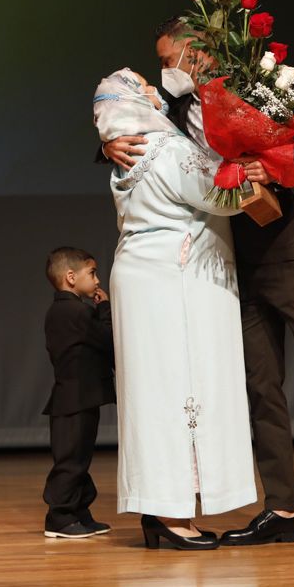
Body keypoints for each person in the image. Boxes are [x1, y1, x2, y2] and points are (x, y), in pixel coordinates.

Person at [100, 20, 294, 549]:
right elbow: (134, 128)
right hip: (225, 266)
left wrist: (264, 168)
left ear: (196, 53)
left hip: (285, 250)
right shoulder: (171, 102)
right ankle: (283, 508)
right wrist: (108, 143)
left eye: (169, 58)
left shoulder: (249, 92)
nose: (164, 71)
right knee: (261, 387)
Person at [94, 68, 257, 550]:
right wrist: (253, 166)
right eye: (144, 85)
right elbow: (222, 196)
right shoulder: (167, 149)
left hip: (142, 276)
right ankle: (170, 513)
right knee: (179, 389)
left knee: (152, 393)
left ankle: (161, 508)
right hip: (174, 279)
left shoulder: (125, 155)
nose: (155, 90)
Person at [41, 247, 116, 539]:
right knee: (71, 461)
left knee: (78, 459)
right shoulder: (76, 311)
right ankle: (58, 518)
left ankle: (78, 512)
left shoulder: (63, 310)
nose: (97, 281)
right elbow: (109, 341)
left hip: (78, 398)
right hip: (74, 399)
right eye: (92, 273)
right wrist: (105, 309)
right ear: (71, 277)